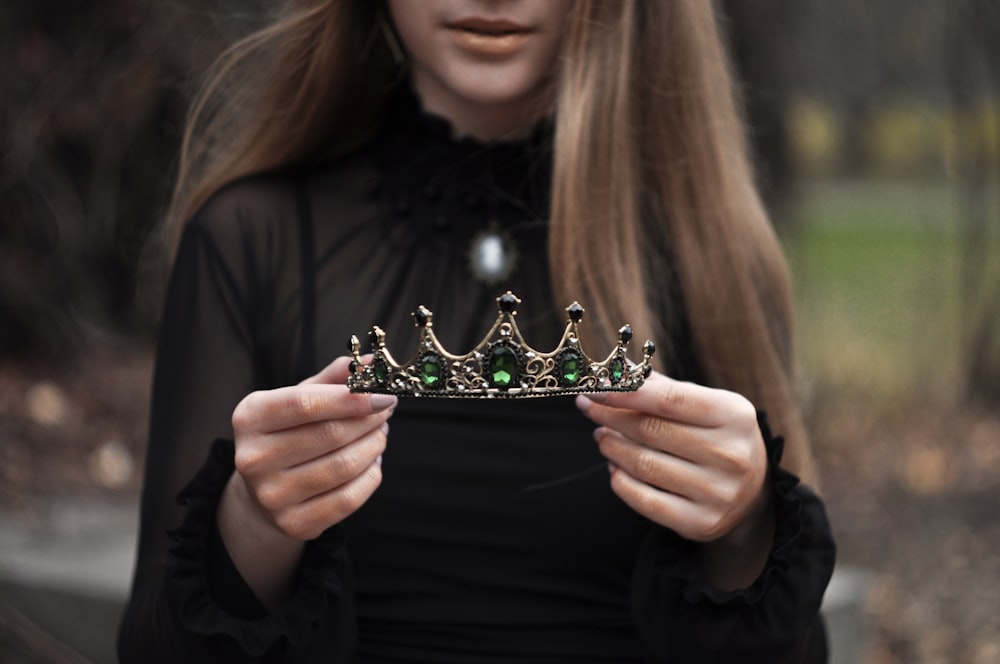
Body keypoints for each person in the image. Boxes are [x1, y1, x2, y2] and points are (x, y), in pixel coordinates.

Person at [118, 1, 836, 662]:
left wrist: (744, 533)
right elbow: (152, 649)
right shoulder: (251, 242)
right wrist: (253, 525)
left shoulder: (706, 256)